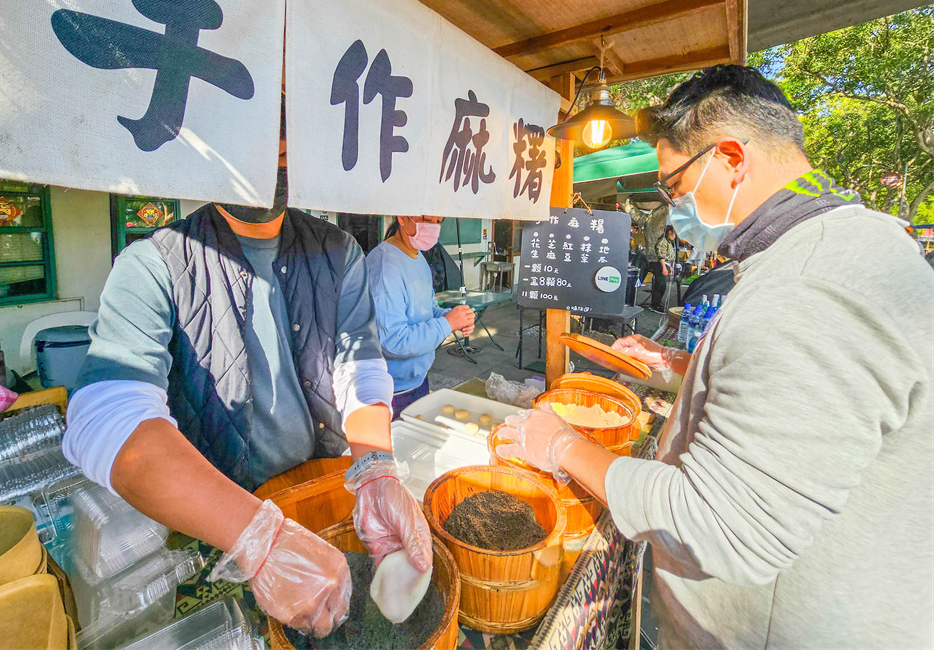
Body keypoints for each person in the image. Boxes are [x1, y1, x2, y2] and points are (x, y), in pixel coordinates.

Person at [498, 65, 933, 649]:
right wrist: (680, 366)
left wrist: (561, 445)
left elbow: (720, 525)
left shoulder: (809, 289)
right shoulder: (848, 245)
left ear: (730, 158)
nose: (672, 206)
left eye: (673, 186)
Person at [63, 128, 431, 639]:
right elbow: (107, 418)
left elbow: (360, 365)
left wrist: (375, 469)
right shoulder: (155, 264)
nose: (273, 151)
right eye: (256, 128)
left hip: (318, 488)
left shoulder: (338, 252)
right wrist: (259, 538)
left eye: (288, 134)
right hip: (215, 526)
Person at [366, 217, 475, 416]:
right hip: (392, 390)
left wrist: (454, 318)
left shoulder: (419, 259)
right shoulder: (385, 265)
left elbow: (427, 309)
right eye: (426, 219)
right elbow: (393, 341)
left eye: (438, 221)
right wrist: (447, 323)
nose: (433, 227)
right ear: (402, 217)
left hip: (418, 380)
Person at [649, 224, 678, 310]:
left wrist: (670, 267)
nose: (675, 236)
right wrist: (664, 268)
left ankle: (658, 302)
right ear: (669, 232)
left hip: (666, 264)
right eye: (674, 233)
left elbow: (669, 255)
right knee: (660, 285)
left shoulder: (669, 242)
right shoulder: (663, 242)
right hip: (659, 264)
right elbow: (661, 255)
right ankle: (655, 304)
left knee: (662, 285)